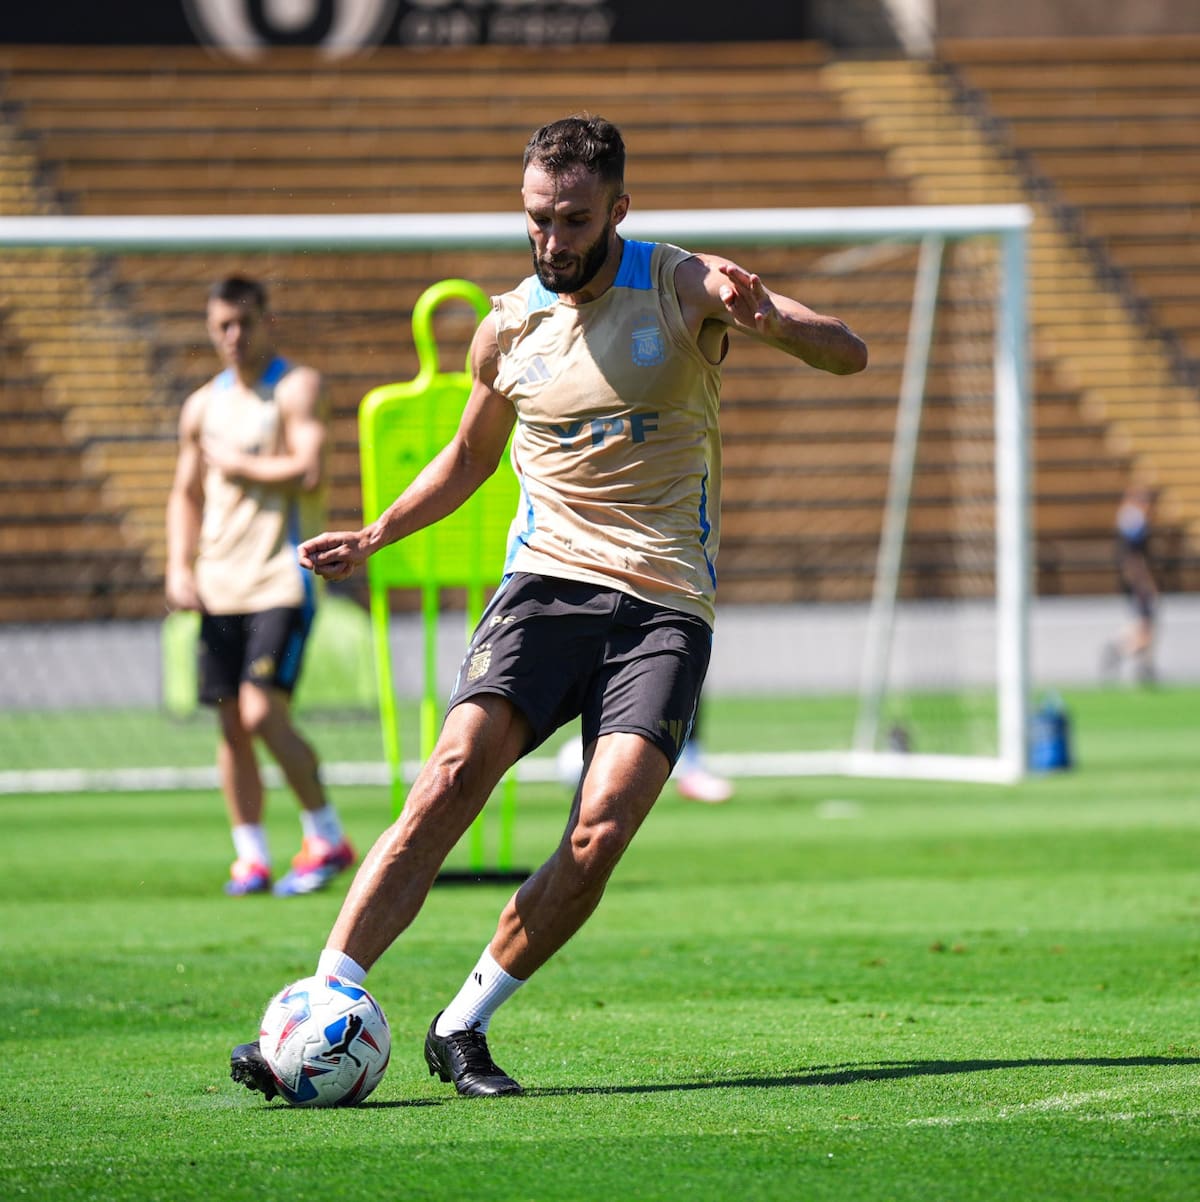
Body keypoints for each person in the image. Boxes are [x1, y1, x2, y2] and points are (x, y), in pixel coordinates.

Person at [230, 114, 866, 1099]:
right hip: (547, 587)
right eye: (537, 220)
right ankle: (322, 1000)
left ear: (618, 208)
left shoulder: (685, 281)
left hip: (663, 602)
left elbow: (850, 352)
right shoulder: (508, 325)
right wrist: (375, 534)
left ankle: (461, 1022)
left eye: (572, 220)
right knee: (449, 774)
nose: (552, 240)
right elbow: (470, 459)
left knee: (599, 829)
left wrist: (776, 322)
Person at [166, 275, 355, 898]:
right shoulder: (201, 406)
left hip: (281, 577)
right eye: (223, 325)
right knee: (230, 722)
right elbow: (186, 493)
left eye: (245, 322)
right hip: (219, 583)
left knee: (260, 711)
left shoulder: (296, 387)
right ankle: (250, 855)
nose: (234, 336)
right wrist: (179, 566)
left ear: (266, 321)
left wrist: (241, 463)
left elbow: (308, 470)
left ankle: (325, 834)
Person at [1101, 483, 1159, 684]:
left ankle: (1141, 664)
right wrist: (1144, 582)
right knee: (1145, 625)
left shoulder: (1130, 521)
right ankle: (1120, 651)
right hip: (1137, 583)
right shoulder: (1133, 522)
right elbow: (1132, 558)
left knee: (1144, 624)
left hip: (1133, 582)